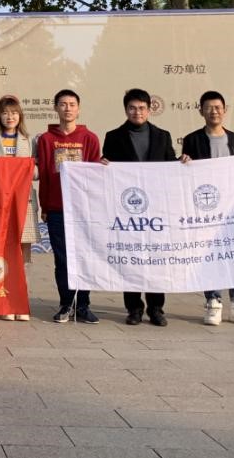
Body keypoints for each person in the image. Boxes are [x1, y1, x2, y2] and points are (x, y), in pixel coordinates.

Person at [180, 90, 234, 327]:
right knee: (209, 254)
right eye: (208, 108)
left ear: (224, 110)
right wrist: (183, 162)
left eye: (217, 107)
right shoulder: (192, 139)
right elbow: (186, 172)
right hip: (206, 209)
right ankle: (213, 302)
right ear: (201, 111)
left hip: (233, 208)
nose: (213, 111)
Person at [101, 88, 180, 327]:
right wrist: (102, 165)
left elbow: (171, 167)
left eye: (142, 108)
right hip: (128, 209)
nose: (137, 112)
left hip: (156, 210)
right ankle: (134, 308)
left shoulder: (162, 136)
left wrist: (183, 162)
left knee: (156, 258)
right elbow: (108, 170)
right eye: (133, 108)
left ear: (149, 109)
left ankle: (156, 309)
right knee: (131, 258)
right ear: (126, 110)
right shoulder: (114, 136)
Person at [35, 89, 102, 324]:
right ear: (55, 108)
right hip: (56, 208)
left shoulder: (89, 138)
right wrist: (44, 206)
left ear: (79, 109)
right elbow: (44, 174)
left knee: (84, 257)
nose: (68, 108)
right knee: (62, 259)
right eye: (63, 104)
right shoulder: (46, 139)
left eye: (72, 104)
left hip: (83, 209)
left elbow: (95, 174)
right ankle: (66, 304)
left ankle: (83, 305)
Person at [0, 94, 39, 322]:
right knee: (0, 251)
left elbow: (37, 172)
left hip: (24, 202)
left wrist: (24, 169)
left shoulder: (29, 140)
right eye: (5, 113)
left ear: (20, 115)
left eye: (13, 113)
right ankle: (3, 301)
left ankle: (20, 301)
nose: (10, 117)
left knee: (23, 253)